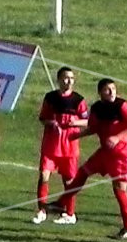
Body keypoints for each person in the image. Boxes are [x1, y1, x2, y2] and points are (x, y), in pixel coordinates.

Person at [58, 78, 127, 239]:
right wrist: (77, 135)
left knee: (119, 189)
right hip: (106, 151)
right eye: (107, 89)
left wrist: (117, 137)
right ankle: (62, 203)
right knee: (83, 172)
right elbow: (94, 128)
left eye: (113, 89)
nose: (111, 92)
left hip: (122, 152)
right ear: (100, 92)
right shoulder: (97, 108)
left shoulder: (122, 105)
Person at [32, 66, 89, 224]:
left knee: (69, 181)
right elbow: (43, 118)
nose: (68, 81)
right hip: (51, 145)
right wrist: (52, 123)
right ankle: (42, 210)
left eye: (71, 78)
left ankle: (70, 214)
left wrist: (75, 122)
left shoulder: (78, 100)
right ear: (58, 80)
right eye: (65, 78)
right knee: (44, 176)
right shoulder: (50, 97)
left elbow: (88, 121)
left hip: (69, 147)